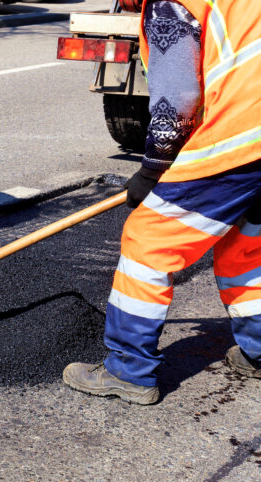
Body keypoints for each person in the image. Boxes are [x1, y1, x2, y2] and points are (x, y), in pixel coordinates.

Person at [63, 0, 261, 404]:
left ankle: (128, 370)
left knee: (149, 239)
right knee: (246, 243)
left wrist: (152, 171)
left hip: (247, 135)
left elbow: (179, 97)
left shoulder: (172, 4)